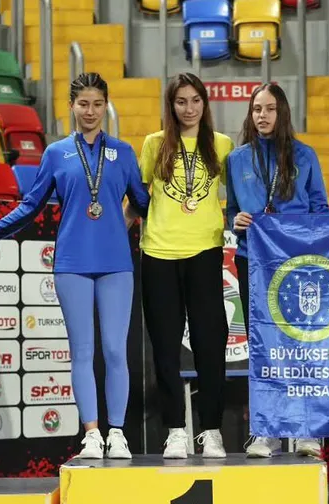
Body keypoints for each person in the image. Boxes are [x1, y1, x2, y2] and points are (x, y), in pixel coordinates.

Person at [0, 73, 149, 460]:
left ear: (106, 106)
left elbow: (144, 202)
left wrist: (142, 211)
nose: (90, 111)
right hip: (72, 263)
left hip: (116, 263)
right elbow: (31, 205)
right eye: (83, 104)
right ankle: (92, 434)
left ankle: (117, 432)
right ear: (71, 107)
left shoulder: (124, 152)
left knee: (114, 350)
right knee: (82, 350)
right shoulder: (56, 153)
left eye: (97, 104)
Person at [225, 83, 329, 458]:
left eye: (269, 109)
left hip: (298, 264)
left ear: (282, 113)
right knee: (265, 346)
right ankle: (267, 431)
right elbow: (230, 211)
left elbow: (320, 210)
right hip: (254, 260)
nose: (262, 115)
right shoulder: (237, 159)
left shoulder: (304, 156)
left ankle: (308, 432)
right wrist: (236, 221)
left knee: (304, 343)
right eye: (256, 109)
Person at [131, 73, 235, 459]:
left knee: (211, 345)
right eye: (181, 101)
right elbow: (138, 200)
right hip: (159, 253)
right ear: (170, 105)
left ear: (204, 103)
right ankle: (176, 430)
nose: (189, 108)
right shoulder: (154, 144)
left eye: (195, 100)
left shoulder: (222, 144)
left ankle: (212, 431)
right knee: (165, 347)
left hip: (205, 251)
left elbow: (240, 195)